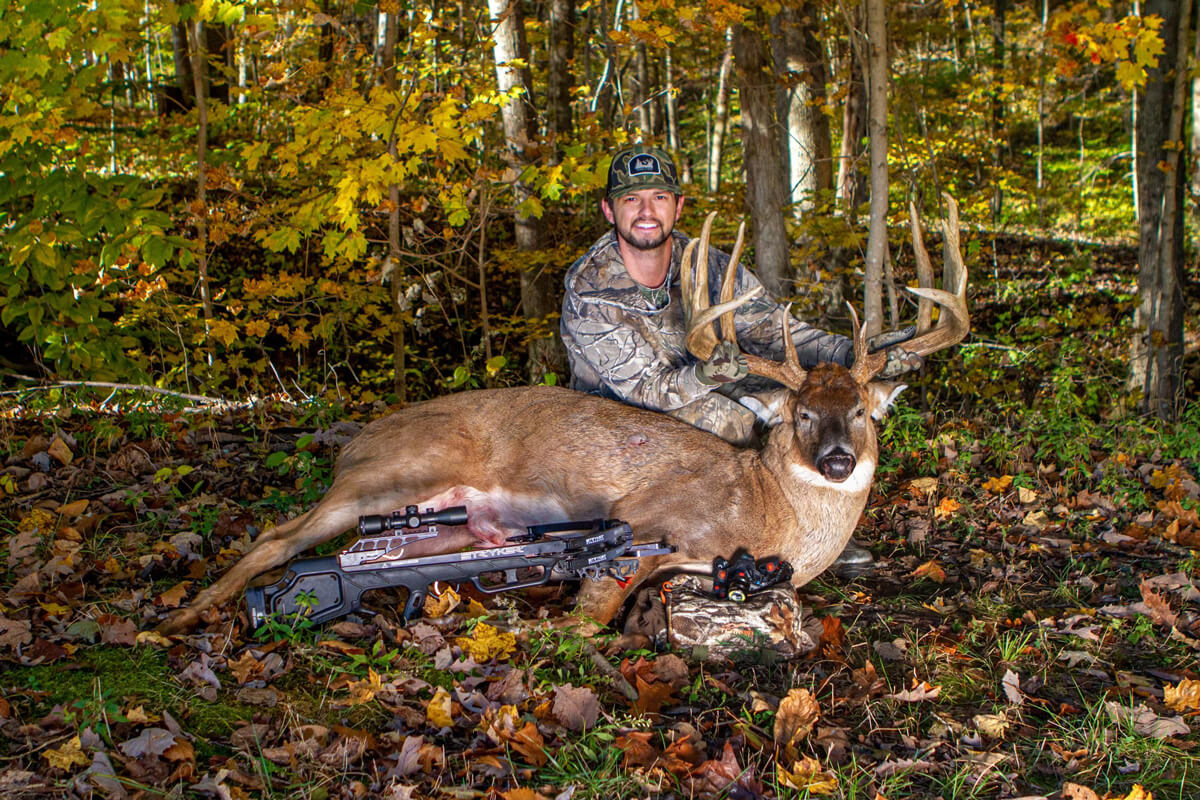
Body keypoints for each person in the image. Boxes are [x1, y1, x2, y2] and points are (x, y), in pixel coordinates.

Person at [560, 144, 922, 572]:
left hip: (701, 388)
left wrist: (857, 358)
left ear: (678, 205)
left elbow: (775, 331)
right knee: (737, 420)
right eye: (630, 199)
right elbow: (645, 390)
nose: (646, 211)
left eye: (658, 198)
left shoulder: (709, 267)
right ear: (608, 209)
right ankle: (727, 532)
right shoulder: (590, 288)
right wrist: (706, 375)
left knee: (789, 401)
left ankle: (811, 522)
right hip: (614, 419)